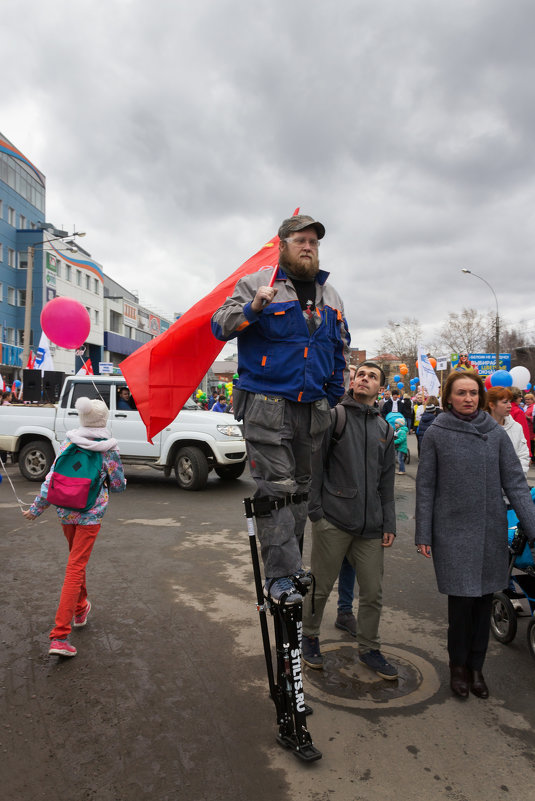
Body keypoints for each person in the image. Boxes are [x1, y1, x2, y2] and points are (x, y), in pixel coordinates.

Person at [211, 214, 350, 604]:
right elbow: (219, 325)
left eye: (314, 242)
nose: (309, 247)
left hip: (314, 407)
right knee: (276, 491)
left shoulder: (332, 295)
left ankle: (290, 566)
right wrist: (253, 308)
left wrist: (334, 393)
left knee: (302, 493)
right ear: (283, 244)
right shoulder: (258, 284)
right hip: (266, 405)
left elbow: (340, 349)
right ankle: (280, 576)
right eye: (301, 240)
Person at [415, 371, 535, 699]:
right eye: (461, 393)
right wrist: (423, 532)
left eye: (472, 393)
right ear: (448, 398)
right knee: (462, 603)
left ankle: (476, 667)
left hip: (489, 529)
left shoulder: (494, 434)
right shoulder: (437, 433)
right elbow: (425, 486)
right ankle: (458, 668)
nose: (468, 398)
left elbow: (515, 484)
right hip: (452, 532)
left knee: (483, 602)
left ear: (480, 396)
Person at [302, 362, 397, 679]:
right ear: (352, 382)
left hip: (370, 528)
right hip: (334, 521)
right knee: (320, 587)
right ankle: (310, 637)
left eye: (372, 376)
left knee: (373, 593)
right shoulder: (335, 417)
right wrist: (317, 513)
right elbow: (315, 467)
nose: (364, 379)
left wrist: (389, 524)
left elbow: (387, 484)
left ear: (379, 388)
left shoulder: (386, 429)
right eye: (360, 375)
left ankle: (369, 648)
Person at [22, 397, 126, 657]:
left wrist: (36, 509)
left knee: (75, 561)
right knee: (75, 566)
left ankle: (81, 609)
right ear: (104, 421)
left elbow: (52, 478)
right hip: (91, 514)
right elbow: (118, 484)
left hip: (65, 511)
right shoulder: (108, 449)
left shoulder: (69, 442)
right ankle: (59, 636)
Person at [485, 388, 530, 474]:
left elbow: (523, 455)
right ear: (492, 405)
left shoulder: (517, 427)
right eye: (505, 402)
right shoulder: (479, 427)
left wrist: (517, 476)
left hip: (513, 482)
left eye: (510, 401)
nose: (510, 405)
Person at [509, 387, 531, 455]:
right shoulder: (518, 411)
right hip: (517, 450)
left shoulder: (501, 409)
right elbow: (524, 432)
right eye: (520, 396)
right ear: (515, 397)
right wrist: (528, 452)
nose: (521, 398)